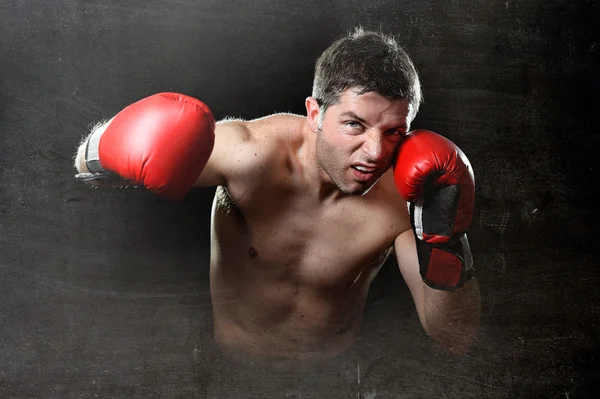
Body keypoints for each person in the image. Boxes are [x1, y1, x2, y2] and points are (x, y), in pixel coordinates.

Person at [74, 28, 481, 369]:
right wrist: (109, 142)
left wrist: (446, 236)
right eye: (354, 124)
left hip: (333, 380)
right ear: (315, 113)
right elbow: (88, 167)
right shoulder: (248, 152)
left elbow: (455, 337)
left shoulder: (403, 201)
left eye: (393, 131)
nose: (375, 152)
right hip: (229, 371)